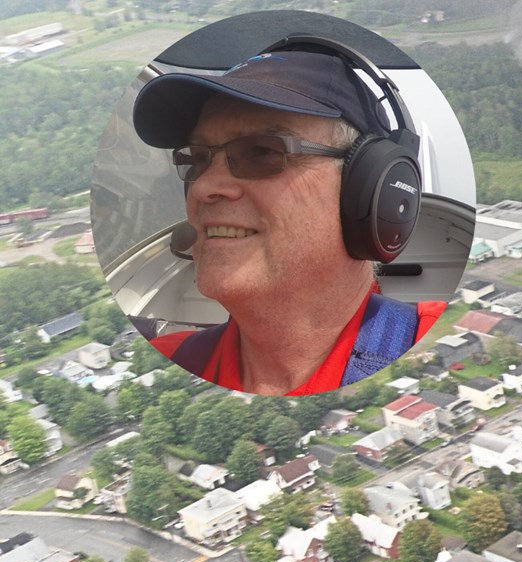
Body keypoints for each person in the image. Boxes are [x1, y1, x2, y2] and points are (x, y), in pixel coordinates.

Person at [131, 48, 445, 394]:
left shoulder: (427, 340)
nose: (203, 186)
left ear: (370, 190)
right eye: (198, 158)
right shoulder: (173, 361)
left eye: (263, 152)